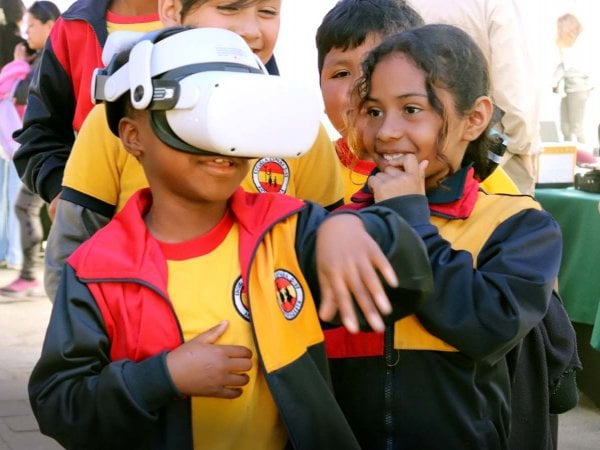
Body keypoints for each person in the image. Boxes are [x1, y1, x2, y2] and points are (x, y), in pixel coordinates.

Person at [28, 26, 433, 449]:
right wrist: (160, 378)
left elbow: (406, 287)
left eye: (235, 115)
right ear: (133, 137)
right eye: (195, 117)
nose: (221, 142)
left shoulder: (288, 232)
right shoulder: (95, 271)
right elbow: (59, 404)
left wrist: (353, 227)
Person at [320, 24, 564, 449]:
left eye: (412, 110)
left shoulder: (517, 224)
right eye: (374, 111)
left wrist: (410, 220)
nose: (387, 132)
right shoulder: (339, 226)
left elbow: (488, 324)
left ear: (474, 118)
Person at [42, 0, 345, 301]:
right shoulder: (122, 120)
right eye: (229, 8)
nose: (251, 30)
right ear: (173, 11)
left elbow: (332, 253)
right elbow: (70, 255)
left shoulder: (298, 130)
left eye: (268, 12)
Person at [316, 0, 518, 204]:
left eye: (381, 71)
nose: (361, 87)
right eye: (342, 73)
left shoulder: (485, 184)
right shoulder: (309, 168)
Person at [12, 0, 161, 217]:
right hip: (101, 233)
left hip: (217, 232)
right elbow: (40, 132)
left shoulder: (214, 15)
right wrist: (60, 193)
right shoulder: (73, 26)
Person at [407, 0, 540, 195]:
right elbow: (513, 88)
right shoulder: (494, 5)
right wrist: (523, 147)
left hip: (420, 151)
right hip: (492, 151)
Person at [0, 2, 59, 296]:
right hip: (46, 150)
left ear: (50, 25)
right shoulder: (43, 57)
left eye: (31, 25)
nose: (26, 32)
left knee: (29, 207)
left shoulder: (53, 55)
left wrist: (19, 64)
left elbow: (24, 92)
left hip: (54, 151)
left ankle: (32, 276)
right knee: (30, 208)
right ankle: (33, 275)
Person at [0, 0, 25, 271]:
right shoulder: (21, 46)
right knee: (16, 193)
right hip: (15, 126)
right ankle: (15, 255)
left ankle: (3, 249)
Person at [552, 13, 593, 144]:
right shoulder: (566, 47)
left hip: (578, 89)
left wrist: (554, 81)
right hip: (568, 89)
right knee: (565, 127)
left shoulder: (578, 46)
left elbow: (565, 68)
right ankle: (567, 155)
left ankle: (583, 158)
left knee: (576, 127)